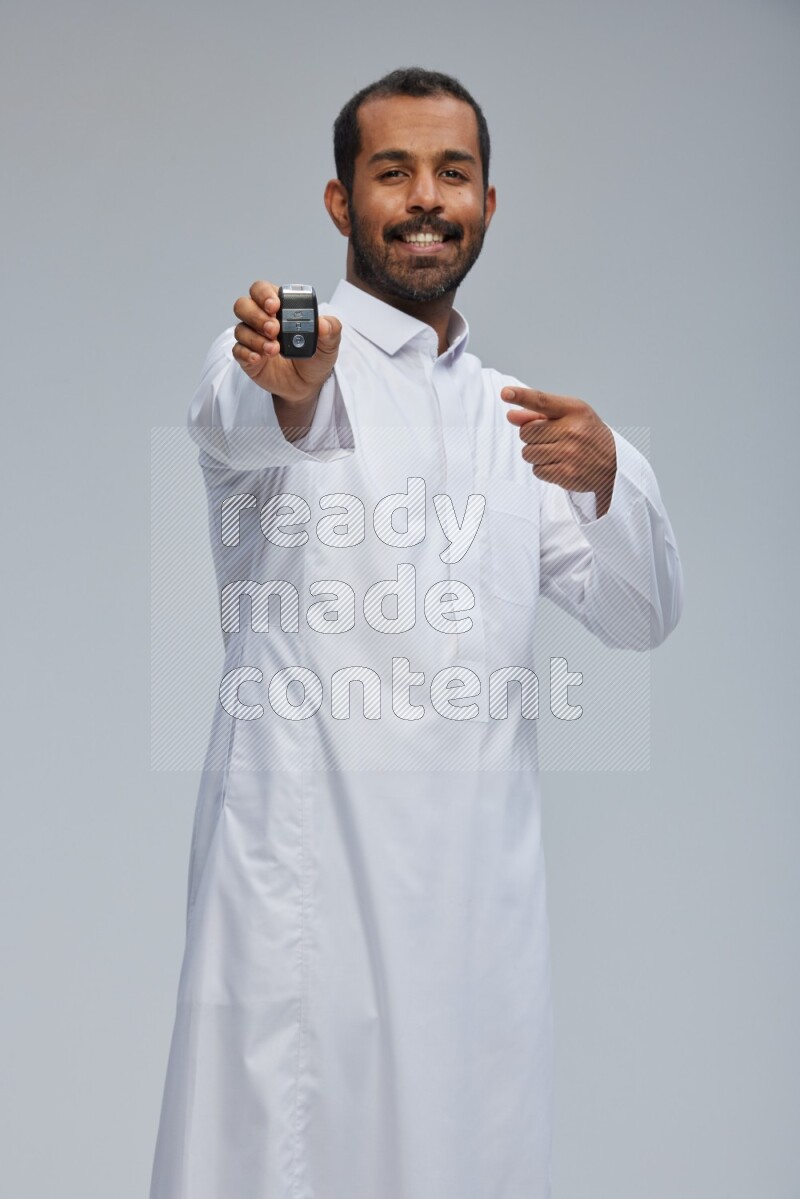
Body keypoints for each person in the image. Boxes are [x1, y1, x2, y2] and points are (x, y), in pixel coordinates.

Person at [149, 67, 683, 1199]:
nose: (426, 197)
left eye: (453, 172)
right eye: (392, 172)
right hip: (307, 897)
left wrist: (608, 481)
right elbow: (246, 416)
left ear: (489, 203)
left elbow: (638, 615)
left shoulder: (519, 419)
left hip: (474, 913)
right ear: (342, 203)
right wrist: (287, 387)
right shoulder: (290, 354)